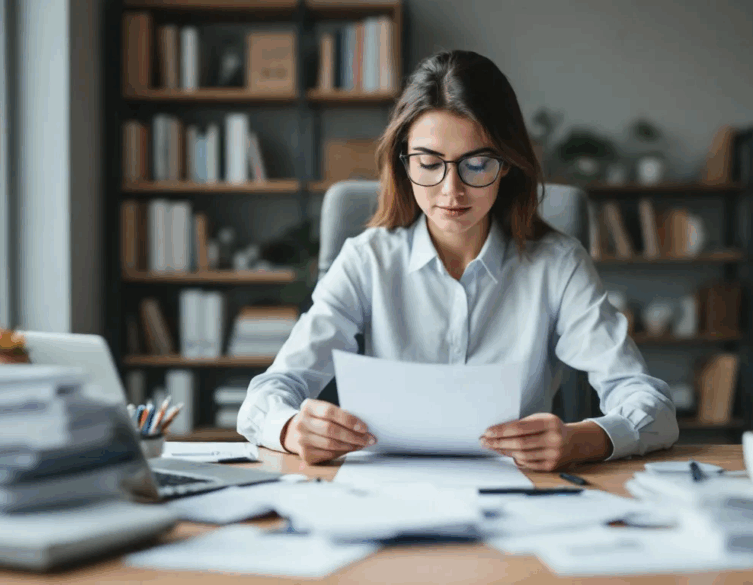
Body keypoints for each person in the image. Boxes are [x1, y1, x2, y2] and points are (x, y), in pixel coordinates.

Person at [238, 50, 678, 470]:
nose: (452, 191)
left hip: (518, 492)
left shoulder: (557, 265)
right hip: (383, 490)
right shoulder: (366, 261)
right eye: (429, 163)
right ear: (402, 161)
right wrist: (293, 429)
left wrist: (582, 439)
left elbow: (651, 407)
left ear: (508, 165)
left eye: (477, 164)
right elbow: (265, 396)